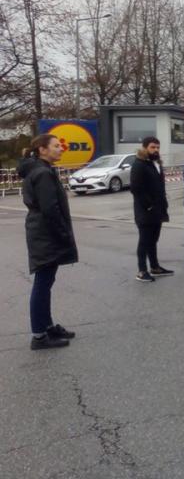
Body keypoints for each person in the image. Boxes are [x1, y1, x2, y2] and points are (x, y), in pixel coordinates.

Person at [19, 135, 78, 350]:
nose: (60, 149)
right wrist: (64, 234)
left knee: (46, 282)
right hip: (45, 235)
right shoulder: (42, 173)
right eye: (56, 146)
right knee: (42, 284)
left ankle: (47, 325)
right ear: (43, 150)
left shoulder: (42, 169)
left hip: (42, 233)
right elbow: (50, 210)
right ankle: (39, 336)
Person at [130, 136, 172, 282]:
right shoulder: (139, 164)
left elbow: (160, 187)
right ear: (145, 147)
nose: (156, 150)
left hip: (158, 210)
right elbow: (136, 189)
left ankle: (155, 267)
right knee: (144, 241)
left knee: (153, 240)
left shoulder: (156, 164)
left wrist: (163, 204)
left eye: (158, 147)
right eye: (153, 147)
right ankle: (142, 271)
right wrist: (148, 205)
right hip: (145, 211)